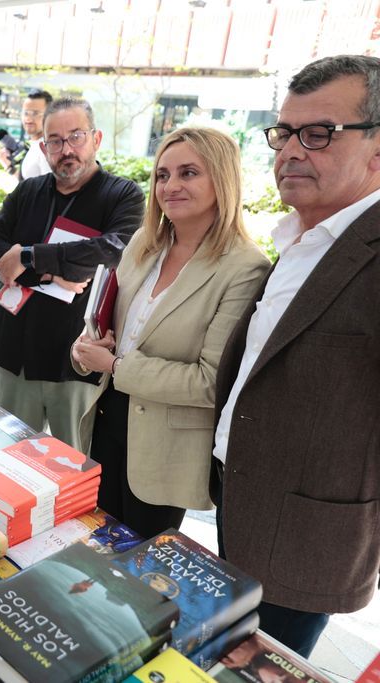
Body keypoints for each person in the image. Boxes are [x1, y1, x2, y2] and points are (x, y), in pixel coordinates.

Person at [212, 54, 380, 658]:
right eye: (284, 132)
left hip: (310, 537)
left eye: (319, 134)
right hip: (240, 500)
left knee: (265, 668)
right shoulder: (301, 237)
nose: (290, 151)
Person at [71, 127, 270, 539]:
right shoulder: (146, 242)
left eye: (188, 173)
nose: (171, 186)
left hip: (166, 451)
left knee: (142, 574)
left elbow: (210, 382)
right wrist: (87, 347)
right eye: (162, 175)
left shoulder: (245, 267)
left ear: (222, 179)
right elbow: (112, 329)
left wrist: (116, 365)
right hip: (109, 420)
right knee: (99, 551)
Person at [0, 97, 145, 451]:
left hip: (76, 358)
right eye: (55, 140)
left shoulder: (122, 195)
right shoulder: (28, 191)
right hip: (15, 353)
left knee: (72, 468)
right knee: (6, 461)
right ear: (43, 147)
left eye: (76, 137)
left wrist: (27, 254)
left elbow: (112, 251)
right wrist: (51, 275)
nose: (65, 149)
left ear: (96, 139)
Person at [0, 89, 54, 180]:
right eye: (25, 113)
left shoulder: (48, 149)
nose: (28, 119)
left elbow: (50, 191)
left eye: (35, 113)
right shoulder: (36, 145)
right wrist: (9, 167)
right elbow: (28, 187)